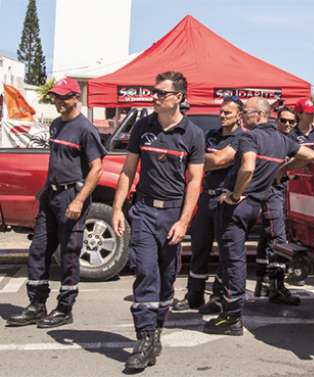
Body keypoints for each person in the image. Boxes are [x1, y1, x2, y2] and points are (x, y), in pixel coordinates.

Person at [112, 71, 204, 370]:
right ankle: (143, 339)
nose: (154, 96)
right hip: (144, 212)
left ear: (178, 97)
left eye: (161, 93)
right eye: (154, 91)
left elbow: (194, 181)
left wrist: (184, 221)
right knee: (146, 273)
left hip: (173, 215)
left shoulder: (194, 134)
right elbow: (127, 172)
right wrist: (117, 209)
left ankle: (156, 335)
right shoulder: (143, 127)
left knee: (167, 278)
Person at [203, 97, 314, 336]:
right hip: (255, 206)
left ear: (258, 115)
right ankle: (227, 308)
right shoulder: (282, 140)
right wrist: (282, 169)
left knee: (233, 260)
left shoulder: (249, 137)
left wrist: (236, 195)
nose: (242, 116)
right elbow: (311, 156)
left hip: (237, 206)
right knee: (234, 259)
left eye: (245, 112)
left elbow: (247, 167)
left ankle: (232, 317)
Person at [6, 77, 106, 328]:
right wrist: (44, 192)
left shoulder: (85, 129)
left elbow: (96, 168)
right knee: (38, 250)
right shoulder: (57, 125)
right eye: (55, 97)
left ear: (75, 98)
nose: (57, 101)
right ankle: (36, 305)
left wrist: (79, 201)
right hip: (51, 197)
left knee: (69, 253)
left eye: (62, 97)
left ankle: (64, 308)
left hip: (72, 198)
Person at [172, 96, 244, 315]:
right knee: (199, 248)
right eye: (221, 112)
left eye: (228, 113)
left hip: (225, 201)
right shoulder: (210, 135)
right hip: (206, 198)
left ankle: (218, 297)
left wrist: (205, 160)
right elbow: (199, 159)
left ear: (238, 115)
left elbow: (219, 160)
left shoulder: (241, 139)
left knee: (225, 253)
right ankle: (194, 295)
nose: (222, 116)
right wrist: (207, 160)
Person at [254, 107, 301, 305]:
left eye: (292, 122)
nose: (287, 125)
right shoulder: (273, 139)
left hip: (281, 193)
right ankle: (276, 287)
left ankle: (263, 283)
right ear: (276, 120)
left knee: (267, 238)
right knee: (278, 240)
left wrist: (283, 169)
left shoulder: (290, 141)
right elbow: (309, 156)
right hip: (272, 192)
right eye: (284, 120)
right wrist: (280, 171)